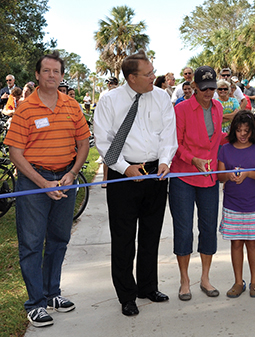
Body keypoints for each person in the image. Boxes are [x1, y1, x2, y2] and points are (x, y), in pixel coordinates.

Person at [5, 51, 90, 327]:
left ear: (62, 76)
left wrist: (73, 173)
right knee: (32, 243)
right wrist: (43, 184)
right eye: (47, 71)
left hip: (65, 179)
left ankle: (52, 293)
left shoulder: (72, 106)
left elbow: (84, 143)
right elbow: (15, 152)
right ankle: (35, 303)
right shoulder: (26, 109)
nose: (52, 75)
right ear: (37, 75)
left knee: (59, 238)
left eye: (57, 71)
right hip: (34, 181)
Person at [93, 50, 178, 316]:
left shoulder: (161, 97)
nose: (155, 76)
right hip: (124, 177)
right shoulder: (109, 100)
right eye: (149, 73)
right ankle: (127, 296)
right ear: (131, 77)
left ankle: (147, 287)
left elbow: (168, 133)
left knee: (151, 234)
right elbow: (104, 141)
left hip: (155, 175)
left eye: (154, 71)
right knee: (124, 238)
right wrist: (124, 168)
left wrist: (165, 161)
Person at [168, 65, 227, 301]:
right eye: (204, 88)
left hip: (209, 177)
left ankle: (205, 277)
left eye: (212, 88)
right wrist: (193, 159)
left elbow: (216, 138)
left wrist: (241, 137)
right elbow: (175, 144)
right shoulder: (180, 109)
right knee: (183, 230)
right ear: (194, 87)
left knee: (208, 228)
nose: (208, 92)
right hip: (183, 176)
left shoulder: (218, 107)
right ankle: (184, 280)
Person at [217, 110, 255, 298]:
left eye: (247, 130)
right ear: (233, 131)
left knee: (252, 243)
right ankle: (239, 282)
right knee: (236, 243)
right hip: (232, 205)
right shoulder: (225, 149)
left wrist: (247, 173)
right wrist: (229, 176)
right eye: (239, 130)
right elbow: (220, 176)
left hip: (253, 204)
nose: (243, 134)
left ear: (253, 131)